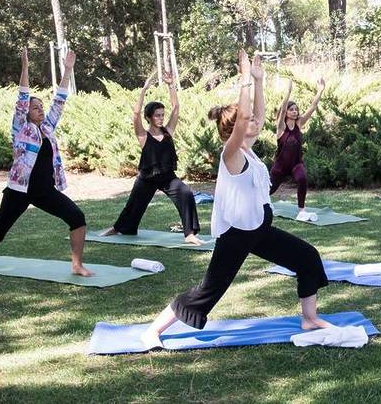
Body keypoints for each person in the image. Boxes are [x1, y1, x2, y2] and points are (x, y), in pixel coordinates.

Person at [140, 51, 330, 350]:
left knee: (307, 257)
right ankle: (153, 329)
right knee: (208, 291)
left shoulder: (249, 149)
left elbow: (261, 114)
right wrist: (244, 80)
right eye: (248, 121)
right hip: (238, 236)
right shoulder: (231, 154)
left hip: (260, 231)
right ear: (234, 130)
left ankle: (310, 318)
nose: (256, 122)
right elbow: (245, 117)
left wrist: (259, 80)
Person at [0, 48, 92, 276]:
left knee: (77, 218)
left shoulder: (48, 127)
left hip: (45, 191)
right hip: (19, 190)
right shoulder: (21, 127)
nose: (40, 110)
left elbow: (59, 100)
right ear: (26, 113)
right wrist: (25, 68)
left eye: (41, 107)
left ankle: (77, 265)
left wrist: (68, 70)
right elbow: (22, 97)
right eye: (35, 108)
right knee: (0, 229)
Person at [100, 69, 203, 244]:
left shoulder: (168, 131)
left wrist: (171, 86)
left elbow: (176, 108)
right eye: (157, 115)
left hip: (168, 177)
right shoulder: (142, 135)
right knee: (133, 205)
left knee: (186, 193)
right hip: (147, 178)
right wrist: (144, 89)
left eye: (162, 115)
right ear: (149, 117)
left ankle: (189, 234)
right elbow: (135, 114)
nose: (161, 118)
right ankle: (119, 228)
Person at [269, 77, 324, 214]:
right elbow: (281, 111)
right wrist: (288, 91)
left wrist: (320, 90)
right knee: (270, 190)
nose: (295, 112)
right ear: (286, 112)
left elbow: (312, 107)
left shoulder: (299, 124)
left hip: (296, 164)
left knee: (302, 178)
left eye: (296, 110)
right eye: (291, 109)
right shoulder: (281, 127)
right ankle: (256, 204)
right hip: (280, 166)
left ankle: (301, 210)